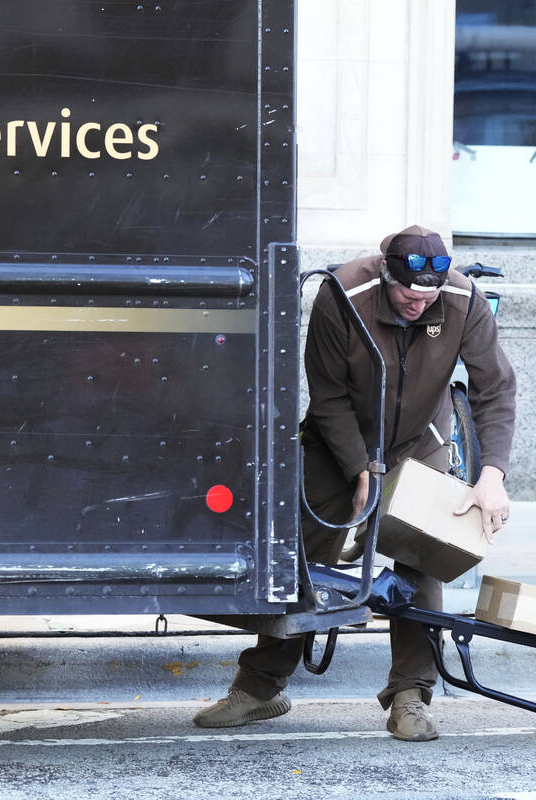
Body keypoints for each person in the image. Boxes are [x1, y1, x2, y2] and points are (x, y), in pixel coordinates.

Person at [192, 224, 516, 740]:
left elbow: (494, 390)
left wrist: (492, 475)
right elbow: (327, 392)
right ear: (387, 275)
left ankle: (410, 697)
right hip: (337, 437)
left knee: (422, 556)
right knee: (304, 553)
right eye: (408, 295)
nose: (417, 304)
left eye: (428, 295)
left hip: (419, 439)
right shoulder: (342, 292)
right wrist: (359, 469)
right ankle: (258, 688)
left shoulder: (463, 300)